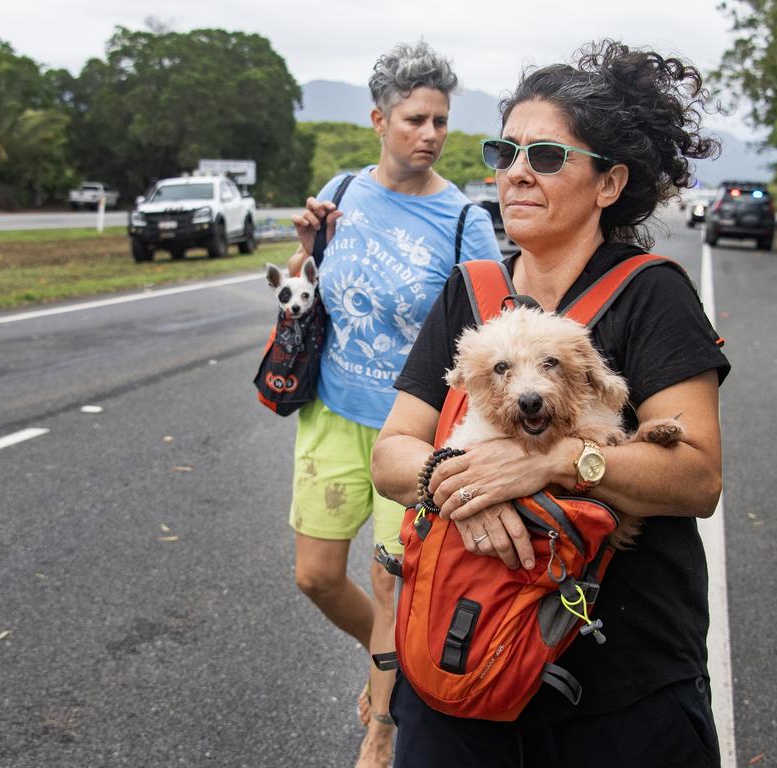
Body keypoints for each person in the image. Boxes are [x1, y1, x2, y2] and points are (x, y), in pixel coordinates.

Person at [371, 40, 730, 767]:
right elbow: (392, 452)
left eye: (547, 156)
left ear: (608, 183)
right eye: (505, 153)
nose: (517, 174)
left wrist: (555, 464)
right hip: (463, 665)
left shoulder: (653, 293)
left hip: (618, 689)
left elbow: (697, 478)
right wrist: (470, 484)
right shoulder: (470, 292)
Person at [285, 41, 500, 768]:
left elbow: (491, 327)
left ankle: (383, 726)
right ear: (379, 120)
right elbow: (309, 286)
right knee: (314, 575)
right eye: (415, 119)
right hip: (330, 412)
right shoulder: (342, 191)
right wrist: (306, 252)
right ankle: (394, 661)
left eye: (441, 119)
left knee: (388, 578)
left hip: (409, 430)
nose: (431, 134)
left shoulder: (466, 223)